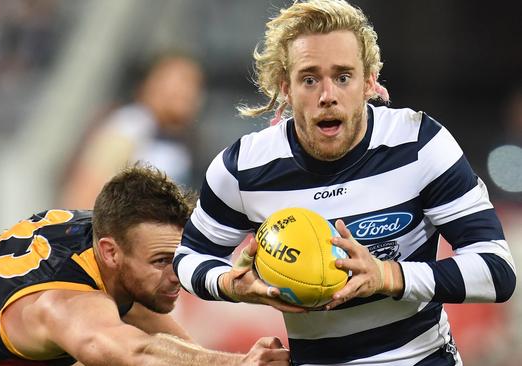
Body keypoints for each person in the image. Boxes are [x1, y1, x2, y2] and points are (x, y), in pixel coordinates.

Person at [172, 1, 517, 365]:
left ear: (369, 81)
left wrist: (388, 275)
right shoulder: (243, 168)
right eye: (309, 79)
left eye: (343, 76)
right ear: (283, 87)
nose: (327, 96)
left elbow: (496, 270)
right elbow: (190, 257)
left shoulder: (419, 145)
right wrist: (230, 285)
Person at [0, 165, 290, 365]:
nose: (175, 274)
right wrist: (238, 363)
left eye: (177, 259)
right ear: (110, 251)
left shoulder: (101, 234)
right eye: (162, 261)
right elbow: (128, 351)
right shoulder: (64, 302)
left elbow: (142, 311)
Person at [60, 51, 204, 209]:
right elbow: (85, 192)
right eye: (181, 81)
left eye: (195, 84)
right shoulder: (129, 127)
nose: (189, 92)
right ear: (149, 85)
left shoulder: (180, 140)